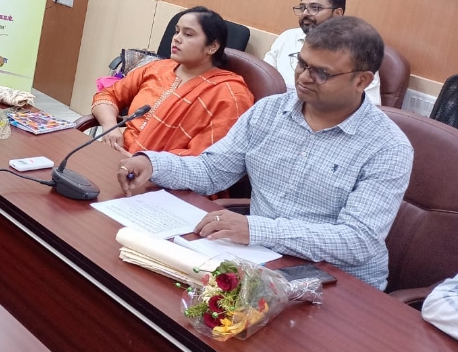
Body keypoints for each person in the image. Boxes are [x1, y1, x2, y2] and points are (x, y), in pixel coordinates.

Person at [117, 17, 412, 290]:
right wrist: (152, 164)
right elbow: (212, 171)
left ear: (362, 81)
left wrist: (257, 230)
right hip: (263, 260)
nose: (304, 77)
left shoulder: (387, 147)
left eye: (321, 73)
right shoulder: (269, 111)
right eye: (302, 63)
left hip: (341, 284)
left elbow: (357, 241)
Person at [90, 6, 254, 156]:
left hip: (164, 174)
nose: (176, 38)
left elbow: (208, 158)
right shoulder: (157, 68)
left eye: (188, 34)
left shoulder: (229, 94)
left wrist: (146, 162)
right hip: (117, 154)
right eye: (176, 32)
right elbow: (107, 95)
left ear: (212, 47)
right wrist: (110, 125)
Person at [263, 0, 382, 105]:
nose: (305, 13)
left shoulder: (359, 50)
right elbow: (266, 78)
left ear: (337, 13)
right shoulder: (288, 37)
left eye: (315, 8)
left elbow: (370, 104)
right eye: (302, 8)